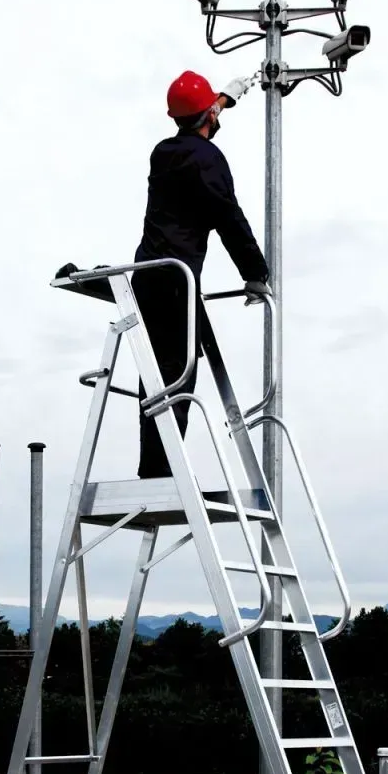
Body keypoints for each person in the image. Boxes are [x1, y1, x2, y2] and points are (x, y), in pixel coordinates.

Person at [133, 70, 271, 479]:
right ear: (207, 115)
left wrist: (226, 96)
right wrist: (256, 273)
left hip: (147, 278)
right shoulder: (208, 160)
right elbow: (228, 218)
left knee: (154, 376)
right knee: (177, 375)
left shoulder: (162, 153)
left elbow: (197, 123)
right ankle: (162, 473)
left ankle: (153, 468)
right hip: (177, 284)